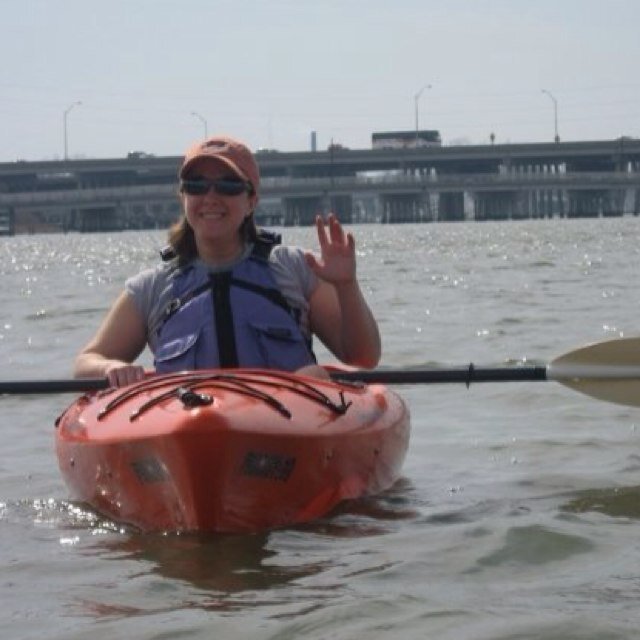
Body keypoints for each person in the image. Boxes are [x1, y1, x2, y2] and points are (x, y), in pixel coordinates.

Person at [74, 135, 381, 387]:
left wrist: (347, 286)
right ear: (183, 197)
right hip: (191, 434)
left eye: (228, 186)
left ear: (251, 201)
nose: (211, 197)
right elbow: (87, 361)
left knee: (314, 378)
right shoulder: (151, 287)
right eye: (196, 185)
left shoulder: (294, 269)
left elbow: (362, 357)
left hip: (286, 433)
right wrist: (110, 368)